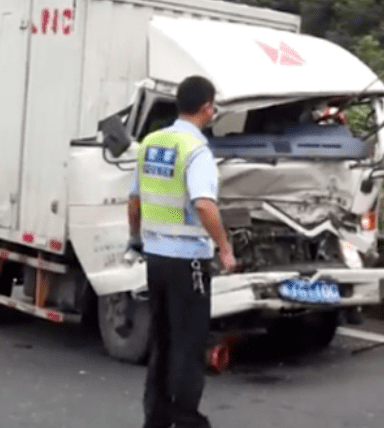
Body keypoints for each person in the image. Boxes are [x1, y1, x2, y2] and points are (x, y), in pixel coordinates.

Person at [127, 75, 237, 428]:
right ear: (207, 109)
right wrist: (224, 247)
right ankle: (187, 420)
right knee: (189, 345)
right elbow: (204, 205)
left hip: (156, 259)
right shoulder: (197, 151)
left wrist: (136, 238)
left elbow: (134, 200)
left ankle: (156, 418)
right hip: (188, 260)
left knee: (162, 341)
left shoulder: (151, 142)